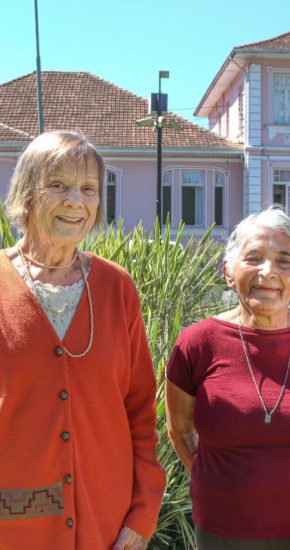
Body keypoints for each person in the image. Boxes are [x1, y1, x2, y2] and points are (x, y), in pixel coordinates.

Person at [0, 130, 165, 549]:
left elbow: (140, 412)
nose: (76, 201)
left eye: (89, 189)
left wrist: (142, 516)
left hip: (106, 525)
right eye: (58, 185)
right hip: (14, 527)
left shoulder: (116, 287)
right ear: (28, 193)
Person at [166, 206, 290, 549]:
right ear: (227, 270)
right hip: (224, 528)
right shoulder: (197, 343)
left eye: (284, 261)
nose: (268, 271)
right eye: (254, 257)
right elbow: (180, 432)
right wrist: (222, 486)